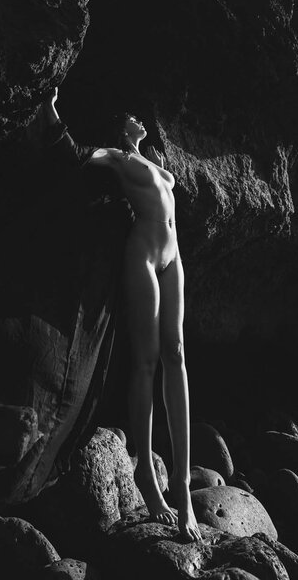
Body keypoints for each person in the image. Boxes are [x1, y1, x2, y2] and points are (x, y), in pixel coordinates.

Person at [42, 88, 201, 542]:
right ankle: (147, 476)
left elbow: (166, 187)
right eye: (134, 116)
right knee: (147, 361)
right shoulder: (116, 156)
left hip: (174, 257)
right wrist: (49, 109)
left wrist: (151, 157)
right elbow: (74, 153)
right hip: (144, 254)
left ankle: (182, 486)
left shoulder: (152, 161)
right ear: (121, 125)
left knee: (177, 354)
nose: (141, 119)